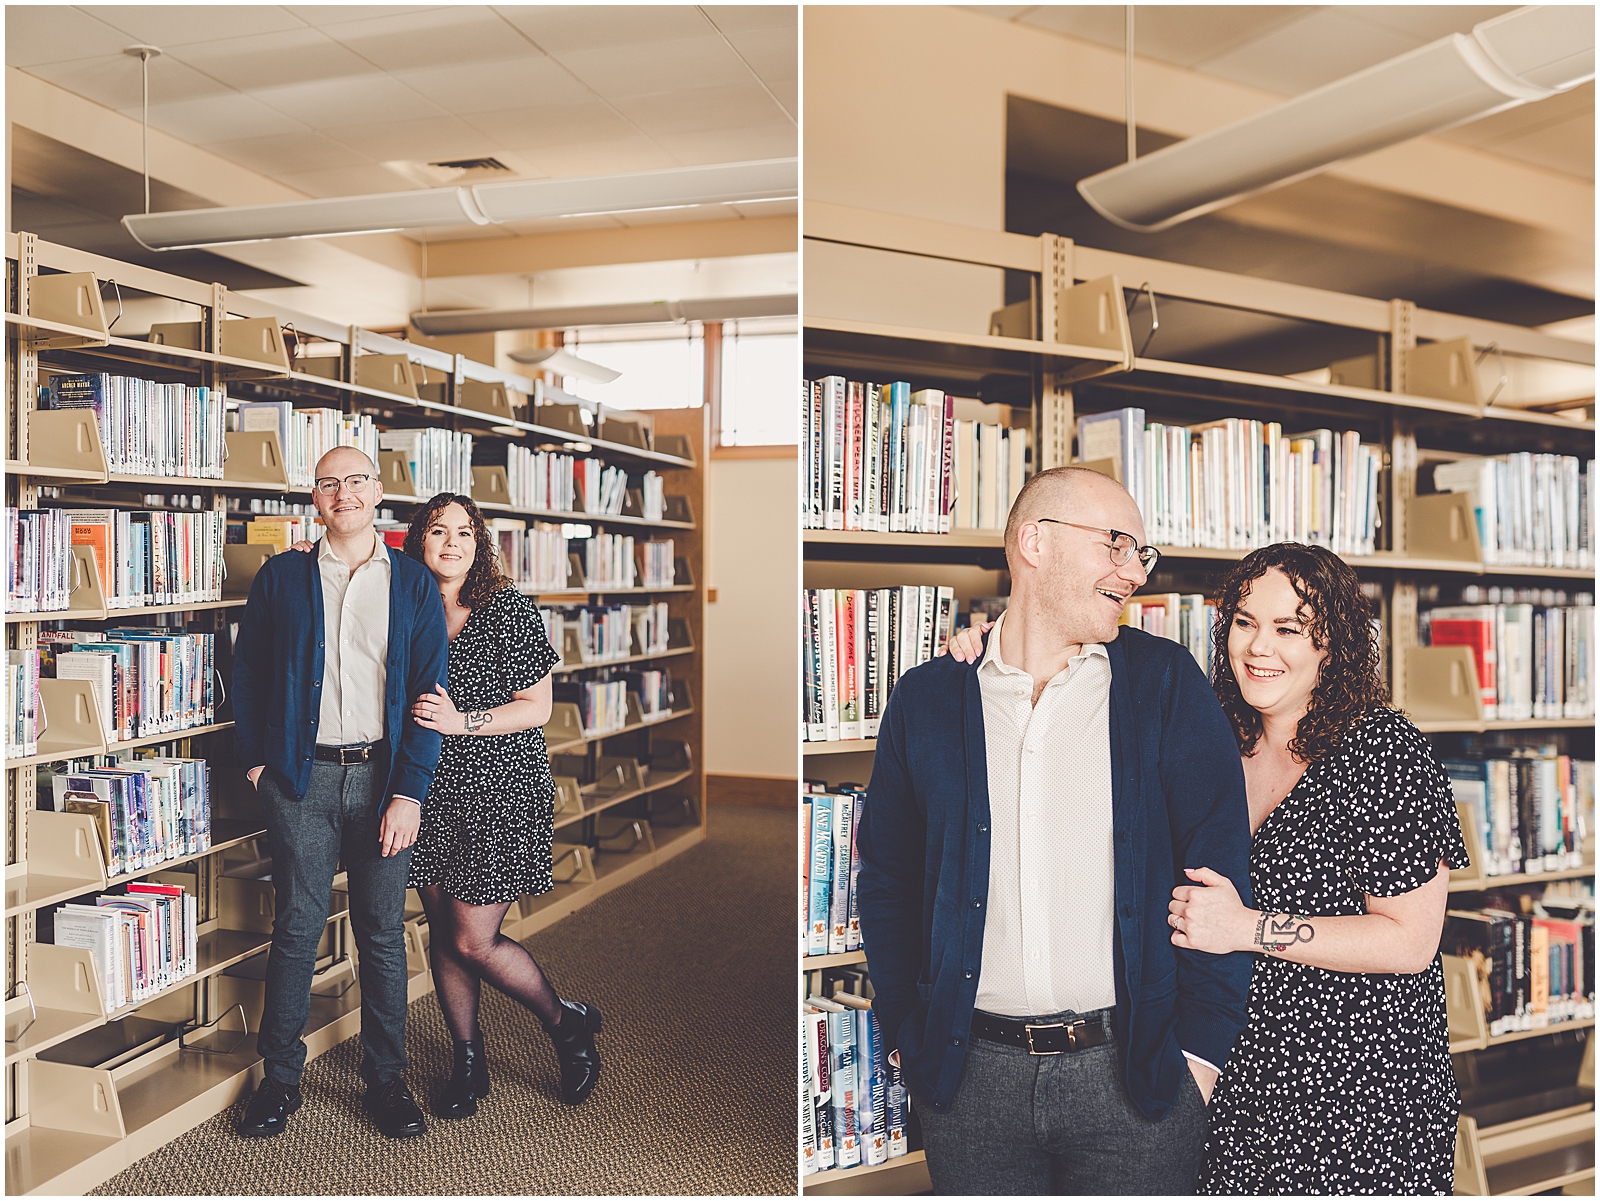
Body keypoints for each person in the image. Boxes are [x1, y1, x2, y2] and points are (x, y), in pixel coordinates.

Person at [857, 466, 1254, 1196]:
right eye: (1116, 545)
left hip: (1134, 1081)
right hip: (971, 1079)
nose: (1133, 571)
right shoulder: (930, 698)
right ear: (1033, 542)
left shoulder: (1165, 686)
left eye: (1140, 553)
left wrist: (1199, 1060)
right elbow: (886, 878)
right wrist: (911, 1036)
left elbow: (1222, 874)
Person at [1167, 544, 1468, 1194]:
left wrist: (1247, 926)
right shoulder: (1216, 737)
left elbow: (1410, 940)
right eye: (1244, 621)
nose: (1257, 647)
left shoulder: (1385, 752)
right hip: (1238, 1086)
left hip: (1363, 1101)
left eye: (1287, 628)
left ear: (1331, 642)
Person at [232, 446, 448, 1140]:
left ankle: (387, 1081)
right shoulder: (281, 577)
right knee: (297, 927)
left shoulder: (412, 583)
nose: (344, 492)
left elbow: (426, 695)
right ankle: (280, 1079)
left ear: (377, 492)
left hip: (385, 778)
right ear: (315, 498)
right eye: (330, 483)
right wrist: (257, 766)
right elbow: (248, 669)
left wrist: (410, 793)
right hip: (303, 779)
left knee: (381, 933)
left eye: (356, 480)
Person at [397, 493, 602, 1116]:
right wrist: (308, 552)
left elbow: (537, 707)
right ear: (419, 540)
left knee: (473, 939)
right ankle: (467, 1059)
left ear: (479, 541)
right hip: (425, 788)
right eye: (438, 531)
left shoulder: (508, 608)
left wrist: (464, 721)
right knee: (443, 932)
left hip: (501, 790)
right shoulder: (402, 604)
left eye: (465, 532)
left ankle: (564, 1023)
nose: (452, 543)